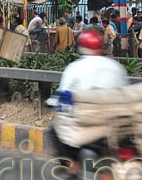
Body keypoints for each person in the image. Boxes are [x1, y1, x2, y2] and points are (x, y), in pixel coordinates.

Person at [47, 28, 130, 172]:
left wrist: (56, 103)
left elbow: (63, 95)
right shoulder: (115, 67)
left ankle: (72, 166)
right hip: (113, 120)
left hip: (84, 120)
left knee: (54, 131)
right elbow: (126, 94)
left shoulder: (74, 68)